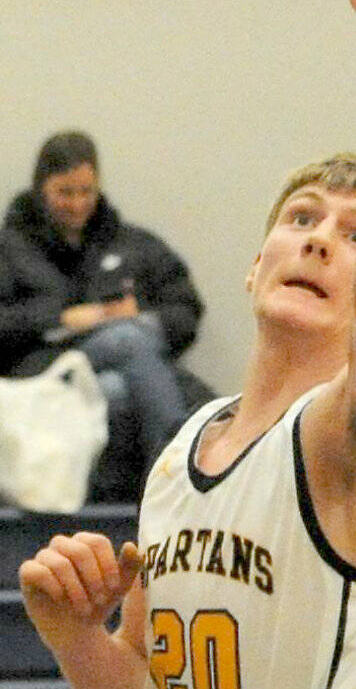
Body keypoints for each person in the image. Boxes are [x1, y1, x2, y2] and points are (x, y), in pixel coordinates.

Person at [17, 0, 356, 689]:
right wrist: (74, 639)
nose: (319, 239)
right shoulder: (179, 453)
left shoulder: (352, 432)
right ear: (253, 262)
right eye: (302, 217)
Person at [0, 130, 207, 496]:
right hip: (40, 370)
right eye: (65, 192)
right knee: (129, 340)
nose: (78, 204)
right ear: (41, 189)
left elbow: (185, 308)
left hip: (120, 370)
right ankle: (175, 475)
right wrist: (60, 320)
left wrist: (139, 314)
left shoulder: (132, 244)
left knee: (118, 386)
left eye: (86, 192)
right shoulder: (9, 249)